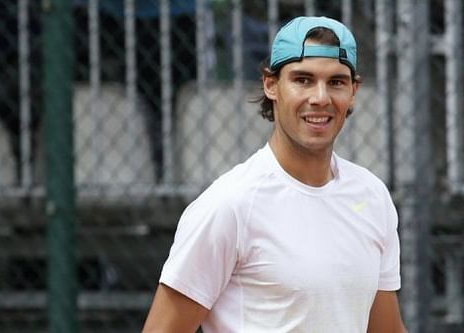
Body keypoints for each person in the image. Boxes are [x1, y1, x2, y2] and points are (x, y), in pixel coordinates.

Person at [143, 16, 406, 332]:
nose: (320, 97)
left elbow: (386, 329)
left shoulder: (372, 195)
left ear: (353, 91)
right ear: (271, 85)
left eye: (336, 82)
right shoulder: (229, 204)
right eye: (303, 80)